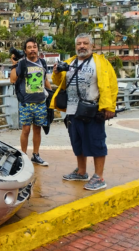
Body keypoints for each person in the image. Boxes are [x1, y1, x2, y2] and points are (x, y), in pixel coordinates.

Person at [50, 33, 117, 191]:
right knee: (77, 141)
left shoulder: (100, 62)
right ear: (75, 46)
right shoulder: (69, 62)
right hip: (72, 110)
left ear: (91, 46)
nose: (82, 46)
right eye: (79, 43)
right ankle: (81, 172)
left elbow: (111, 85)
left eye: (85, 43)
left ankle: (99, 177)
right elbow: (59, 82)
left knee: (96, 142)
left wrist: (109, 106)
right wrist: (56, 72)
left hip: (92, 110)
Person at [10, 38, 52, 166]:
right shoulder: (22, 64)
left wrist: (51, 95)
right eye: (29, 47)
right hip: (26, 103)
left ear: (37, 49)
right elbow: (12, 80)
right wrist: (14, 64)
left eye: (34, 47)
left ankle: (36, 154)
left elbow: (45, 80)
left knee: (37, 130)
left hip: (40, 102)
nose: (32, 49)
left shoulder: (43, 63)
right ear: (25, 50)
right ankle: (23, 155)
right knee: (26, 130)